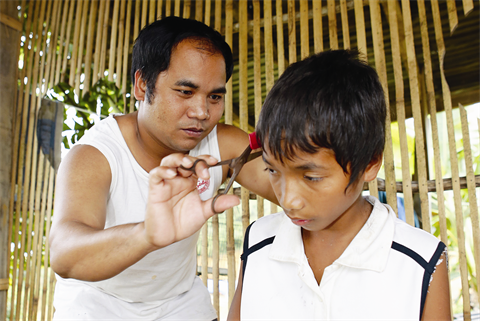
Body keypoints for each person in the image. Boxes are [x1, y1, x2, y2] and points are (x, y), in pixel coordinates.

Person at [49, 16, 276, 320]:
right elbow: (64, 254)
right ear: (143, 85)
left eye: (215, 96)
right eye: (185, 92)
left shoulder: (224, 145)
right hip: (98, 301)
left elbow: (297, 190)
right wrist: (147, 235)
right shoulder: (96, 155)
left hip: (179, 301)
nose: (201, 112)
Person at [227, 50, 451, 320]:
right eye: (272, 170)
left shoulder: (422, 260)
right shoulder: (259, 241)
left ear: (369, 164)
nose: (288, 200)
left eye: (312, 177)